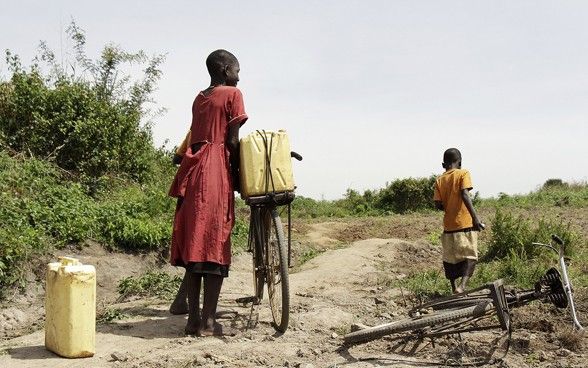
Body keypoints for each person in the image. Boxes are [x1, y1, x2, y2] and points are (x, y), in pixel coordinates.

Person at [168, 49, 247, 336]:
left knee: (195, 242)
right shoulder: (232, 94)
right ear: (225, 70)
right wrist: (239, 176)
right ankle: (209, 323)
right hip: (215, 170)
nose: (239, 77)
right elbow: (233, 141)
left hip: (192, 169)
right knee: (215, 241)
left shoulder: (198, 98)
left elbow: (195, 136)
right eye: (237, 71)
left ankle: (192, 321)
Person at [433, 148, 484, 294]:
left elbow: (438, 204)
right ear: (459, 162)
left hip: (448, 227)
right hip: (465, 224)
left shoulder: (439, 180)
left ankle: (454, 287)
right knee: (469, 255)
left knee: (450, 258)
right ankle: (462, 286)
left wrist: (449, 204)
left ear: (444, 165)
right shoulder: (463, 173)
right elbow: (464, 194)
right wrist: (475, 218)